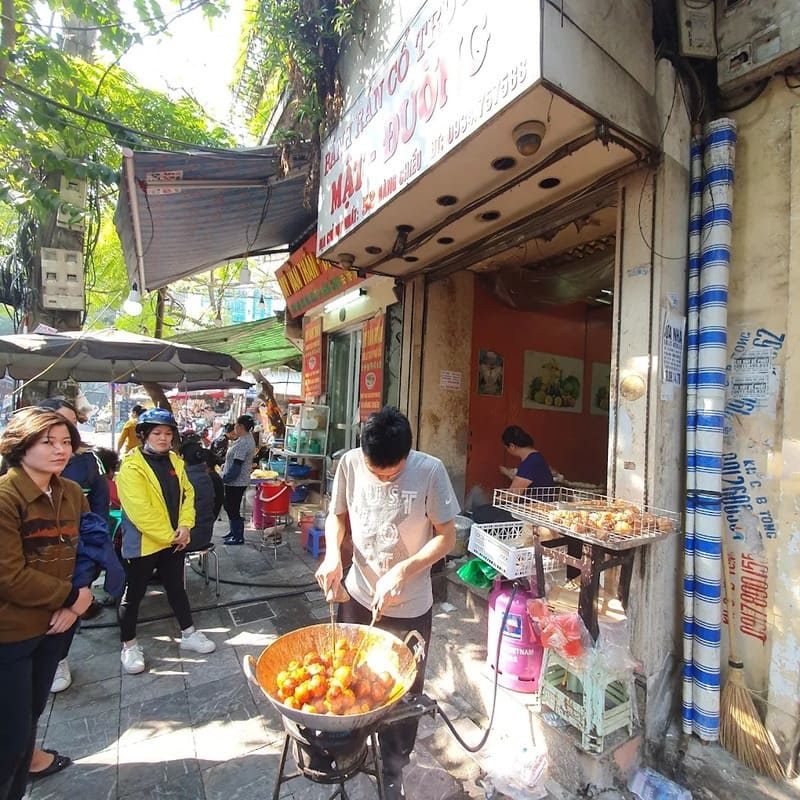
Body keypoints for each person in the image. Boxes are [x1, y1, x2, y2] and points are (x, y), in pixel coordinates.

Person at [315, 406, 458, 800]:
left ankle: (395, 767)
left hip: (409, 605)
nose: (382, 478)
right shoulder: (348, 463)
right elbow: (336, 516)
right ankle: (349, 748)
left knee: (402, 692)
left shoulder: (430, 471)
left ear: (407, 455)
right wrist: (332, 556)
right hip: (359, 594)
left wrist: (405, 569)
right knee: (348, 674)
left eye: (391, 474)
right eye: (375, 472)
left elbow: (447, 537)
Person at [0, 408, 94, 798]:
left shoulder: (70, 491)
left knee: (30, 719)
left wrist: (77, 600)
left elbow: (90, 545)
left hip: (56, 626)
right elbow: (9, 576)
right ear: (20, 447)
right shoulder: (6, 497)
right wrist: (73, 596)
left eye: (65, 442)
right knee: (10, 735)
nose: (61, 450)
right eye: (48, 442)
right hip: (12, 633)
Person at [116, 408, 216, 675]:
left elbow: (188, 495)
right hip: (144, 544)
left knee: (176, 588)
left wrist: (185, 526)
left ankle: (189, 634)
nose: (163, 438)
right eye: (157, 433)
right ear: (144, 435)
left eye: (168, 433)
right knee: (133, 595)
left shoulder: (175, 461)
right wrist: (172, 536)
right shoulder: (131, 466)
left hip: (175, 540)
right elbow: (140, 512)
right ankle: (129, 646)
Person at [36, 399, 110, 696]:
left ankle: (59, 659)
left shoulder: (89, 463)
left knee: (64, 620)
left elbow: (101, 513)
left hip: (76, 558)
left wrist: (86, 573)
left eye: (68, 427)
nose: (59, 442)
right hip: (31, 565)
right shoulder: (14, 474)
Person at [221, 415, 256, 545]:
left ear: (241, 427)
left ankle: (238, 536)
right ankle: (233, 532)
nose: (234, 427)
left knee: (232, 507)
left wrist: (225, 478)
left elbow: (237, 465)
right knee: (230, 506)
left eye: (236, 425)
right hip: (236, 480)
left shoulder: (244, 443)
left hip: (236, 481)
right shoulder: (243, 439)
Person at [179, 441, 215, 552]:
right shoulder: (206, 476)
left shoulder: (186, 479)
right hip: (206, 533)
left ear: (182, 457)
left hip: (190, 537)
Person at [500, 425, 555, 490]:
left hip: (537, 500)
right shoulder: (536, 457)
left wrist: (493, 498)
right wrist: (508, 473)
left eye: (506, 448)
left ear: (512, 446)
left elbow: (512, 494)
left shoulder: (530, 463)